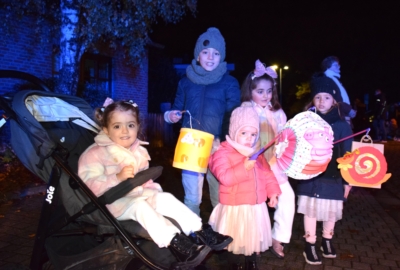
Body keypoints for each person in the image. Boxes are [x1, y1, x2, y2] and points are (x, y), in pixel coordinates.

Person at [78, 98, 233, 269]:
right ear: (106, 130)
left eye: (130, 125)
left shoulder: (139, 151)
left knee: (165, 197)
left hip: (139, 195)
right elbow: (88, 186)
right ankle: (177, 243)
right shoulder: (94, 154)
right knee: (140, 207)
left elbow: (144, 181)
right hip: (113, 202)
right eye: (117, 126)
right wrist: (116, 178)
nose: (125, 131)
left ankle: (199, 231)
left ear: (138, 127)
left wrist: (155, 194)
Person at [164, 27, 241, 215]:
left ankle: (219, 229)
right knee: (192, 192)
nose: (210, 57)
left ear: (221, 57)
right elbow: (176, 106)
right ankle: (193, 231)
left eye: (216, 53)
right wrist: (171, 115)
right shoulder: (185, 82)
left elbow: (235, 114)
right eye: (205, 52)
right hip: (191, 142)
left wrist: (226, 141)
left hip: (218, 144)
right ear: (198, 55)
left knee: (218, 191)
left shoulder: (229, 83)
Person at [208, 106, 281, 270]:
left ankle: (252, 262)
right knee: (236, 237)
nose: (249, 138)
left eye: (253, 134)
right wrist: (244, 166)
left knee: (253, 236)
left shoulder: (257, 153)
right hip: (235, 207)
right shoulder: (223, 152)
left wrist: (273, 192)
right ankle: (234, 263)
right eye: (244, 133)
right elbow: (225, 177)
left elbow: (267, 174)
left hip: (255, 206)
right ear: (234, 131)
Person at [240, 59, 295, 259]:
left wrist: (284, 143)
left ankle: (278, 238)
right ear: (250, 90)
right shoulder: (245, 110)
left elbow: (286, 134)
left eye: (269, 91)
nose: (265, 95)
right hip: (254, 164)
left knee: (287, 197)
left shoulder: (278, 112)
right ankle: (254, 239)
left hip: (275, 164)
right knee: (257, 202)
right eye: (260, 91)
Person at [298, 74, 353, 265]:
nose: (322, 101)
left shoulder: (342, 125)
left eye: (327, 97)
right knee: (310, 210)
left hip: (334, 178)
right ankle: (310, 243)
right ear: (312, 99)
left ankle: (327, 240)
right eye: (318, 97)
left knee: (331, 211)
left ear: (334, 101)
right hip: (311, 176)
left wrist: (347, 180)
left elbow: (348, 154)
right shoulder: (306, 121)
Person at [321, 56, 357, 126]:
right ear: (328, 67)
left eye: (338, 65)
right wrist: (348, 110)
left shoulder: (333, 79)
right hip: (338, 119)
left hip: (342, 116)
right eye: (335, 65)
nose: (339, 67)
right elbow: (334, 100)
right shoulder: (328, 80)